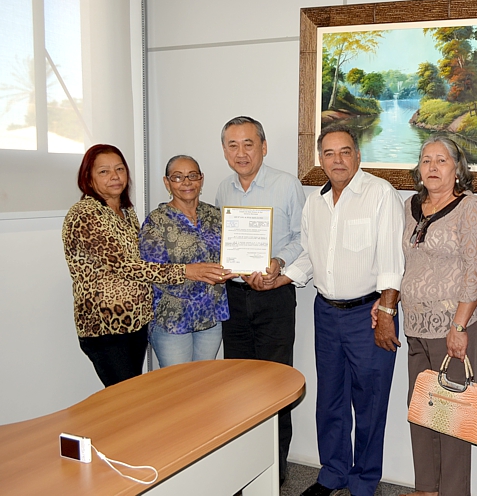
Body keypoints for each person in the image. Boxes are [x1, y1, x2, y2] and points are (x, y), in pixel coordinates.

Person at [280, 125, 404, 496]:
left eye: (345, 151)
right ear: (321, 159)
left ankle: (364, 482)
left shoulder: (379, 193)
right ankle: (331, 474)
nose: (337, 160)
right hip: (326, 312)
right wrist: (281, 277)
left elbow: (391, 260)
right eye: (329, 153)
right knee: (330, 399)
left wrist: (386, 311)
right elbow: (308, 255)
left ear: (358, 156)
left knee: (369, 401)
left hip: (368, 314)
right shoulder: (314, 202)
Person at [62, 144, 230, 387]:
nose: (115, 176)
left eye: (119, 169)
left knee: (140, 396)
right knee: (128, 399)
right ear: (88, 177)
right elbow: (128, 266)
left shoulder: (125, 211)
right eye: (104, 172)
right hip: (107, 325)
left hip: (135, 321)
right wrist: (188, 271)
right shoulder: (86, 214)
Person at [401, 136, 477, 496]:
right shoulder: (409, 206)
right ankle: (426, 488)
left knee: (453, 418)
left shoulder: (472, 209)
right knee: (423, 412)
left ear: (457, 169)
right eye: (426, 160)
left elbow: (476, 271)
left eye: (442, 160)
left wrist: (458, 326)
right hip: (416, 328)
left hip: (453, 329)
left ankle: (454, 492)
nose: (433, 167)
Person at [215, 116, 306, 485]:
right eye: (232, 145)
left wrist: (277, 261)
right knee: (238, 387)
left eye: (248, 144)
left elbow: (303, 238)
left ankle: (276, 469)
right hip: (234, 300)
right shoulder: (222, 190)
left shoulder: (286, 185)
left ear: (263, 147)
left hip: (274, 298)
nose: (241, 153)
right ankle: (245, 467)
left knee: (275, 385)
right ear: (224, 151)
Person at [139, 155, 229, 366]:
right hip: (172, 320)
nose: (186, 182)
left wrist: (235, 269)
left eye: (192, 176)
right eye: (178, 177)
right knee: (177, 389)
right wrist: (191, 271)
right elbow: (153, 271)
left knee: (204, 383)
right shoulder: (156, 221)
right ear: (167, 182)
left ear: (201, 179)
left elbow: (229, 254)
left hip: (210, 317)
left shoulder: (215, 215)